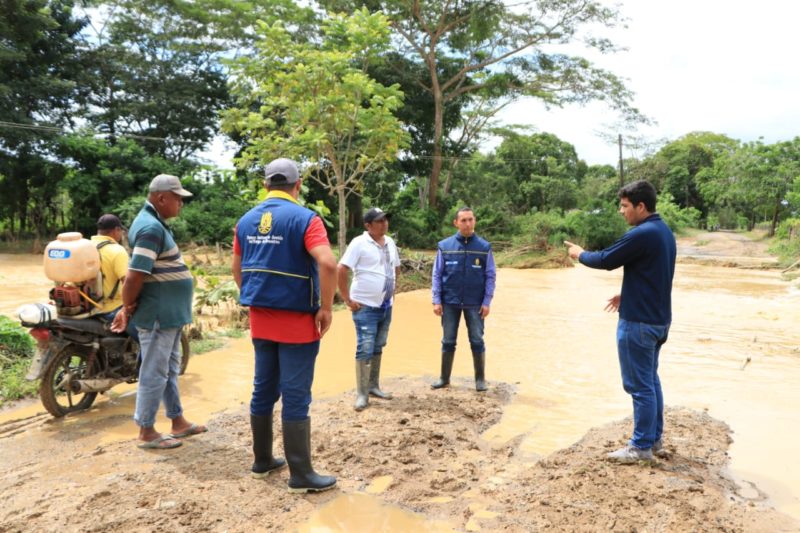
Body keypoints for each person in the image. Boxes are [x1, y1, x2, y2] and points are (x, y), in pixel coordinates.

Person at [232, 158, 338, 493]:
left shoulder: (245, 221)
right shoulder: (306, 219)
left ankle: (262, 460)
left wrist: (257, 298)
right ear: (298, 185)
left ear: (266, 185)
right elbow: (328, 263)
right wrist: (326, 308)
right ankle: (301, 474)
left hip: (260, 319)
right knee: (295, 395)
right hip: (296, 321)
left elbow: (237, 268)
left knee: (263, 388)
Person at [564, 180, 676, 464]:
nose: (621, 211)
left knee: (639, 386)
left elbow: (605, 259)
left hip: (639, 322)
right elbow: (654, 274)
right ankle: (654, 440)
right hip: (658, 320)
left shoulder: (642, 233)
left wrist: (579, 254)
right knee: (650, 381)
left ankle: (640, 447)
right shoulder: (664, 232)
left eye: (625, 206)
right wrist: (627, 293)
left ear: (641, 206)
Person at [111, 174, 207, 450]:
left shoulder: (155, 225)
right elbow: (134, 276)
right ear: (161, 198)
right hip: (158, 314)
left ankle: (178, 421)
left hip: (168, 314)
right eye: (178, 198)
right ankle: (146, 430)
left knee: (168, 369)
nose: (181, 204)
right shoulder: (150, 228)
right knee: (154, 371)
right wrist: (126, 307)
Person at [337, 207, 401, 411]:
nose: (384, 224)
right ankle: (362, 394)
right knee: (365, 346)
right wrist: (347, 299)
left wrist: (393, 291)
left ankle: (373, 386)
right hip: (364, 306)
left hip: (386, 306)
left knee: (378, 345)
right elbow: (341, 269)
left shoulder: (390, 242)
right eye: (379, 221)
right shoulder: (359, 243)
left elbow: (396, 267)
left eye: (385, 220)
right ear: (368, 225)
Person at [431, 207, 496, 392]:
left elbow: (490, 275)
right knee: (448, 340)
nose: (468, 224)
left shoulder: (484, 247)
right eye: (463, 220)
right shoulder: (445, 246)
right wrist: (436, 300)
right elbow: (437, 274)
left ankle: (480, 380)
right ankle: (444, 378)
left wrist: (487, 302)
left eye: (470, 219)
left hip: (475, 303)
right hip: (449, 302)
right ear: (456, 223)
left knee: (477, 340)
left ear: (474, 221)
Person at [90, 214, 128, 321]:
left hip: (87, 308)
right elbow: (128, 283)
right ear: (116, 230)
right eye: (121, 231)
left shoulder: (84, 247)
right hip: (110, 310)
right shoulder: (118, 250)